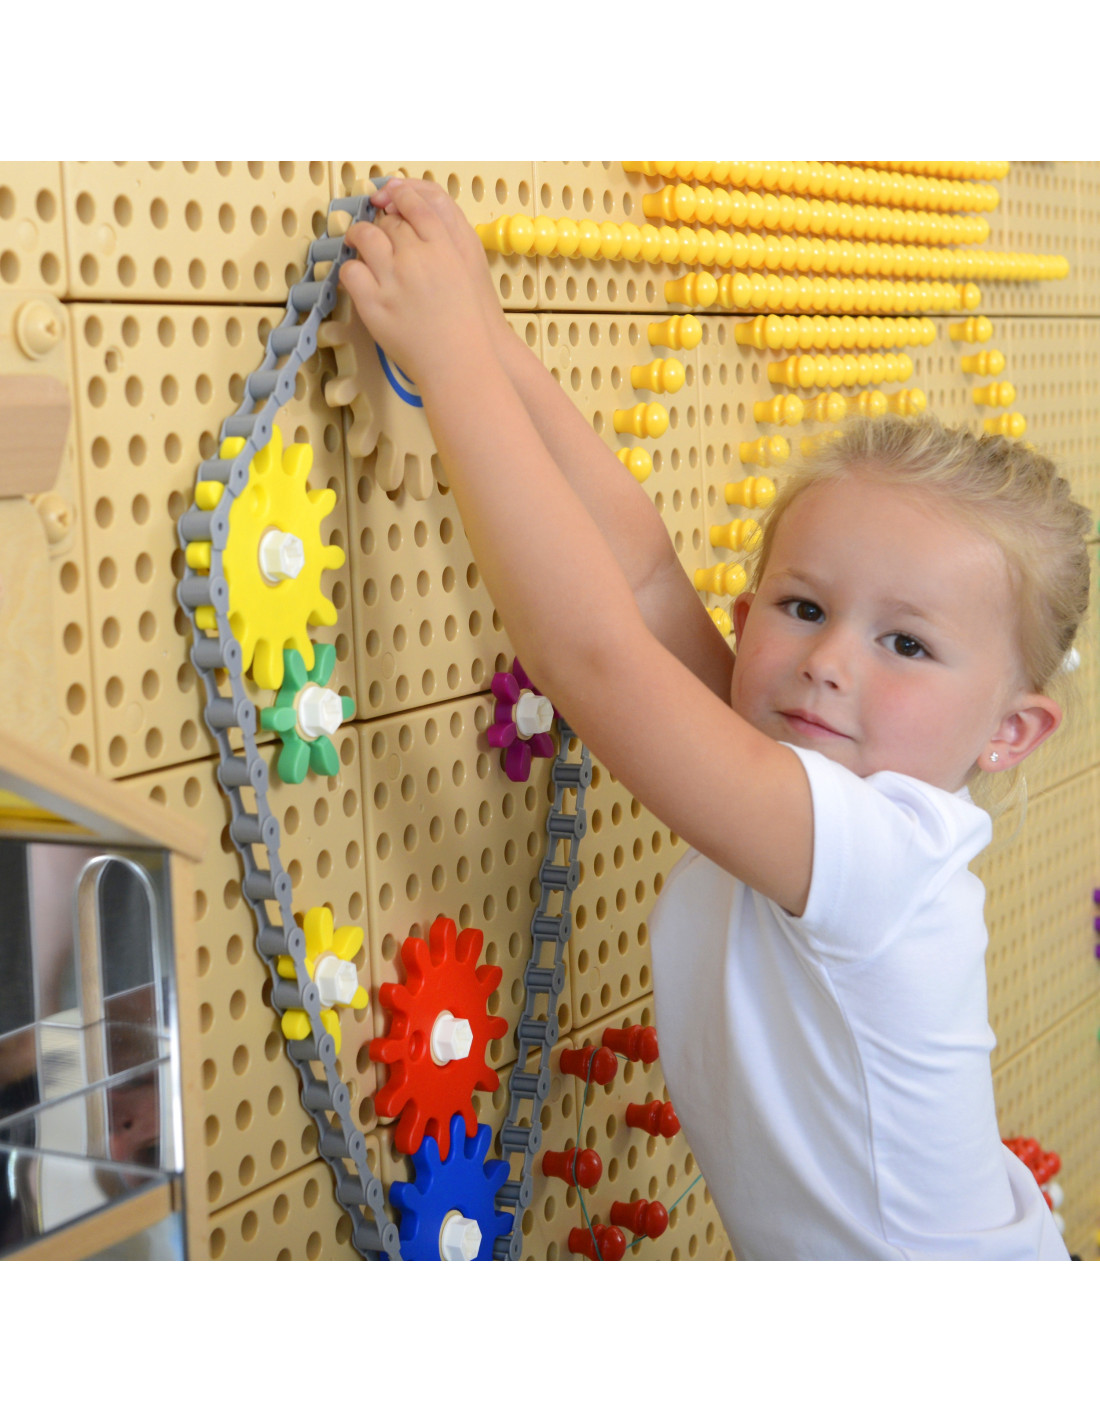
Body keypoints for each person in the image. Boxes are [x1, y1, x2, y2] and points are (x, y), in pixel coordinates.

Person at [340, 179, 1088, 1260]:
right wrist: (493, 343)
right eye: (803, 608)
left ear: (1009, 733)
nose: (827, 661)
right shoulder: (798, 776)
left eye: (906, 644)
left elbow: (595, 657)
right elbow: (644, 577)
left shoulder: (880, 851)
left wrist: (450, 363)